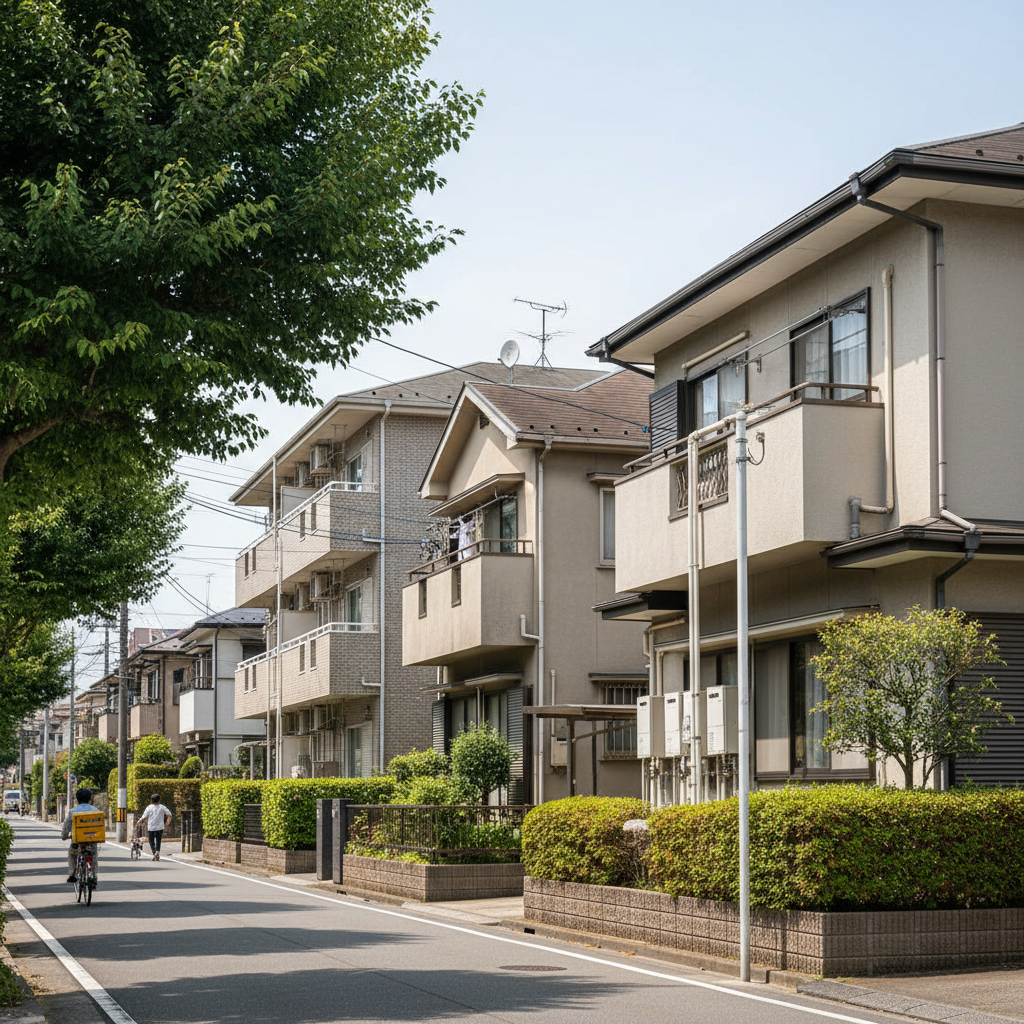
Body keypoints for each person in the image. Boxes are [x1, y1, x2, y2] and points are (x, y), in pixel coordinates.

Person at [61, 788, 101, 885]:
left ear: (77, 799)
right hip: (92, 841)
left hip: (77, 843)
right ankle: (93, 875)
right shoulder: (95, 811)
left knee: (72, 854)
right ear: (89, 798)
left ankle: (72, 874)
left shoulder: (72, 812)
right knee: (93, 856)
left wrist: (64, 836)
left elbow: (66, 827)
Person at [137, 793, 172, 861]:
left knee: (151, 841)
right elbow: (169, 815)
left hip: (151, 827)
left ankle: (154, 853)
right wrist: (167, 824)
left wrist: (138, 822)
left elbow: (144, 817)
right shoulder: (162, 807)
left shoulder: (149, 807)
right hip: (160, 827)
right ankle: (157, 851)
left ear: (151, 800)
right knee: (158, 840)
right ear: (159, 800)